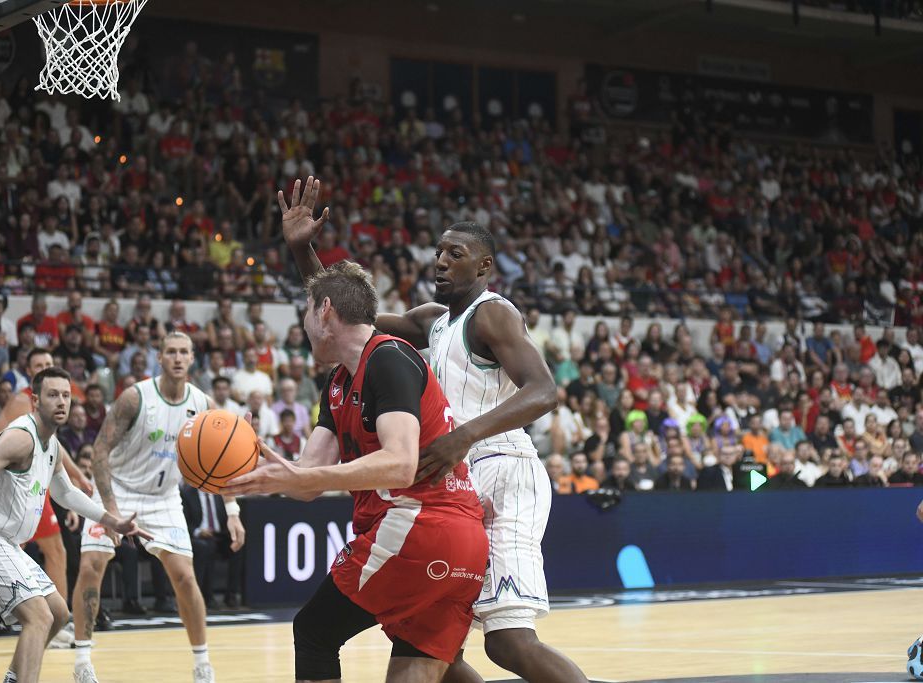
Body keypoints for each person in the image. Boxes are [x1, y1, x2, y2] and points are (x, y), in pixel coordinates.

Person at [279, 177, 585, 682]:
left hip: (504, 470)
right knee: (431, 648)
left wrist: (463, 436)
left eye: (455, 253)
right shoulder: (434, 320)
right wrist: (302, 250)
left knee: (508, 642)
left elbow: (543, 391)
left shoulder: (493, 314)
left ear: (484, 266)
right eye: (438, 251)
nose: (440, 260)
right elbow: (349, 317)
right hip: (454, 482)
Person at [221, 261, 488, 683]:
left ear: (325, 311)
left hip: (417, 526)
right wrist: (248, 468)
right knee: (425, 670)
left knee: (313, 632)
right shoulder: (338, 383)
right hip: (460, 544)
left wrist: (304, 478)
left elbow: (400, 465)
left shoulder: (388, 356)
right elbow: (307, 475)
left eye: (307, 312)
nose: (305, 325)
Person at [0, 367, 149, 683]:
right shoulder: (21, 438)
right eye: (53, 395)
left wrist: (112, 520)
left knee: (58, 614)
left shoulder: (52, 445)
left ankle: (14, 677)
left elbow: (65, 492)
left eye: (66, 396)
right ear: (35, 401)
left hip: (5, 541)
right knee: (39, 616)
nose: (61, 402)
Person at [73, 332, 245, 683]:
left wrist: (233, 512)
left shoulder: (203, 404)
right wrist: (110, 509)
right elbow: (100, 452)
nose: (178, 358)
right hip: (117, 491)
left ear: (193, 358)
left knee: (184, 576)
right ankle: (82, 662)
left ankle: (202, 665)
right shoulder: (134, 398)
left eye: (184, 352)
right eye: (171, 352)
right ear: (160, 358)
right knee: (92, 565)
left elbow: (222, 460)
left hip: (163, 497)